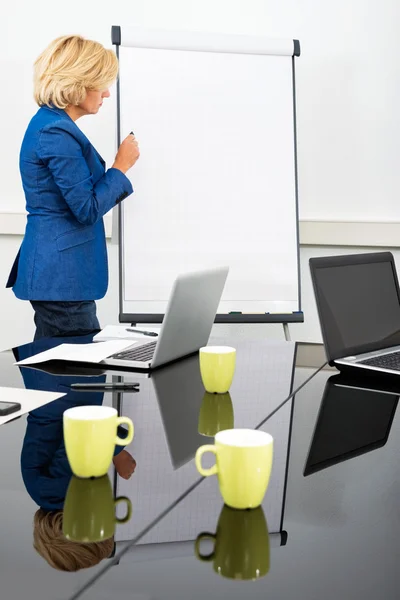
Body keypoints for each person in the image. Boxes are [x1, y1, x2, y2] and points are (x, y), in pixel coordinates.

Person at [6, 35, 140, 340]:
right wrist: (121, 166)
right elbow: (86, 208)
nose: (107, 93)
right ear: (78, 84)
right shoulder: (55, 131)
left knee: (63, 376)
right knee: (74, 376)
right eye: (101, 83)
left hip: (61, 278)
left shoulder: (53, 125)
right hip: (61, 278)